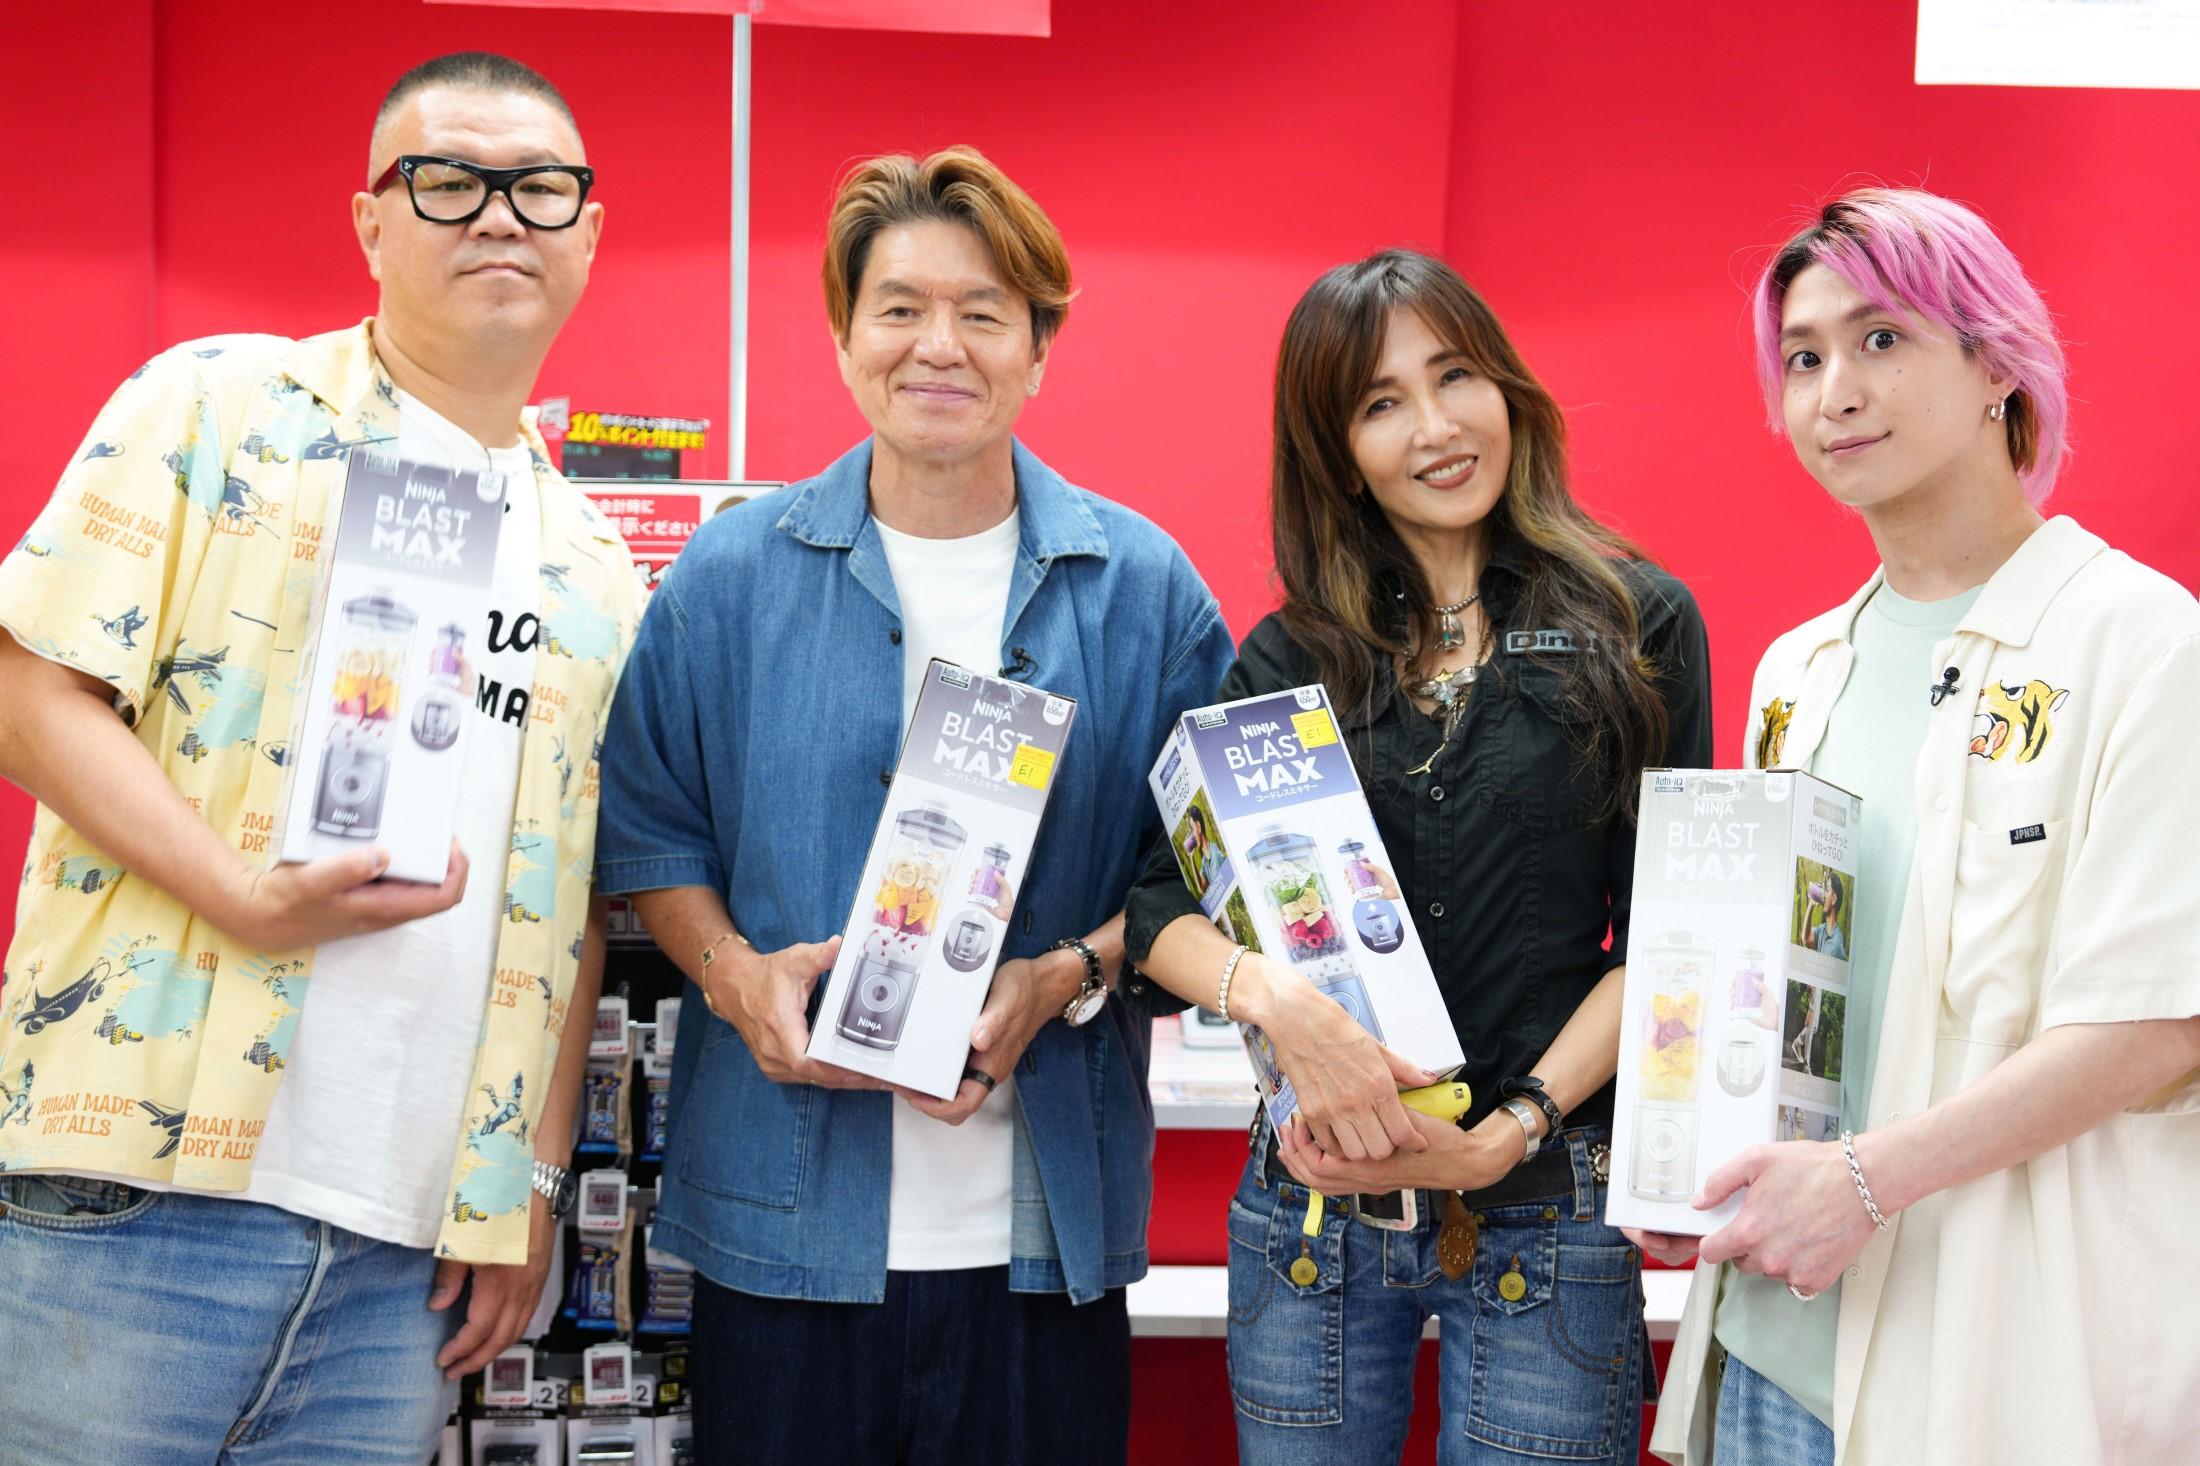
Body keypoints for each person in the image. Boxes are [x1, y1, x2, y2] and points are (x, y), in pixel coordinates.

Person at [0, 52, 639, 1463]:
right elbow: (27, 688)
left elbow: (573, 904)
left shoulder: (595, 566)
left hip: (405, 1255)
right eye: (449, 180)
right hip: (138, 1188)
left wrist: (531, 1181)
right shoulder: (215, 405)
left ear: (588, 232)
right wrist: (241, 891)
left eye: (541, 188)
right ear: (370, 220)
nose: (500, 215)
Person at [592, 146, 1233, 1465]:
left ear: (1037, 350)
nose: (938, 344)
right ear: (844, 339)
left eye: (983, 312)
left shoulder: (1144, 590)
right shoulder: (729, 576)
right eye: (899, 308)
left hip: (1043, 1241)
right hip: (781, 1231)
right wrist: (733, 976)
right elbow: (651, 835)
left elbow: (1202, 882)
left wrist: (1063, 975)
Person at [1636, 187, 2200, 1466]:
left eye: (1880, 339)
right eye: (1802, 358)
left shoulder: (2144, 642)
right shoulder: (1798, 671)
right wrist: (1696, 1162)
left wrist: (1865, 1179)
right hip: (1776, 1338)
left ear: (1997, 362)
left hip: (1999, 1354)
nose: (1835, 391)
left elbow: (2157, 1018)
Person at [1125, 249, 1713, 1464]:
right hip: (1313, 1214)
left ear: (1507, 389)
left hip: (1545, 1212)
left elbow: (1668, 937)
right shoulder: (1291, 654)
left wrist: (1503, 1133)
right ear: (1340, 452)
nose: (1436, 428)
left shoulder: (1636, 621)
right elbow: (1158, 905)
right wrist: (1280, 1000)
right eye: (1381, 402)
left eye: (1455, 377)